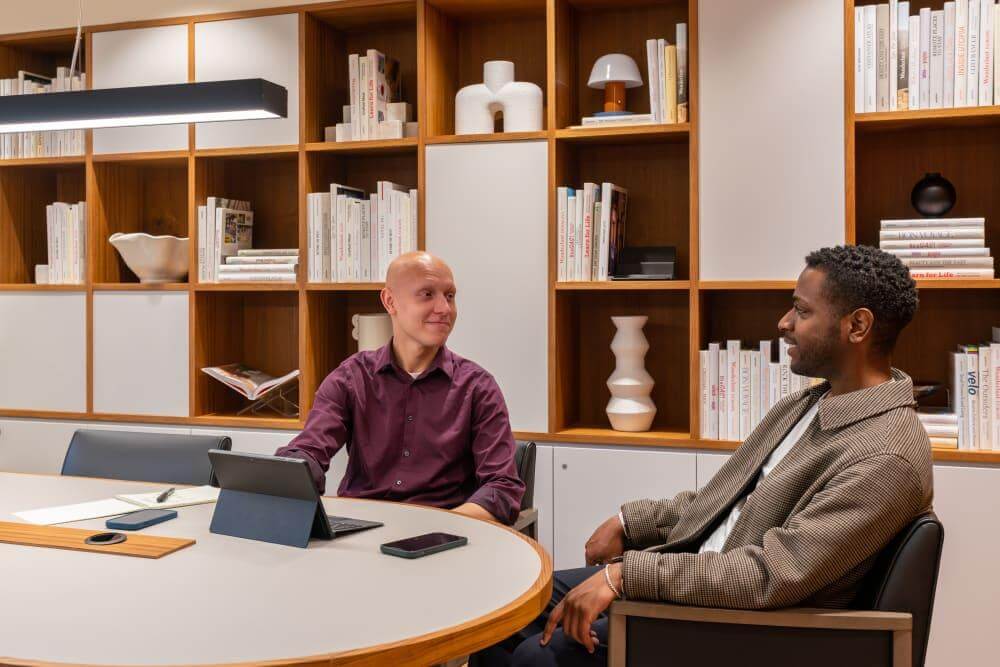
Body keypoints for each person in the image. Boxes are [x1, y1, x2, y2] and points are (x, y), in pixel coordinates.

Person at [473, 245, 933, 665]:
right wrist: (630, 521)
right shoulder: (811, 403)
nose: (784, 323)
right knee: (506, 610)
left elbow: (770, 574)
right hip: (694, 576)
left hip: (735, 629)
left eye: (801, 310)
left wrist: (626, 576)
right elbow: (722, 501)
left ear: (858, 326)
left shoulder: (885, 457)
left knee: (538, 656)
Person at [276, 251, 524, 525]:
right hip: (360, 535)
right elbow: (308, 451)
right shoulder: (351, 377)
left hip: (445, 539)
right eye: (427, 294)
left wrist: (442, 527)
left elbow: (502, 488)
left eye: (450, 296)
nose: (444, 309)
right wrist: (286, 473)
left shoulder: (478, 387)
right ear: (389, 301)